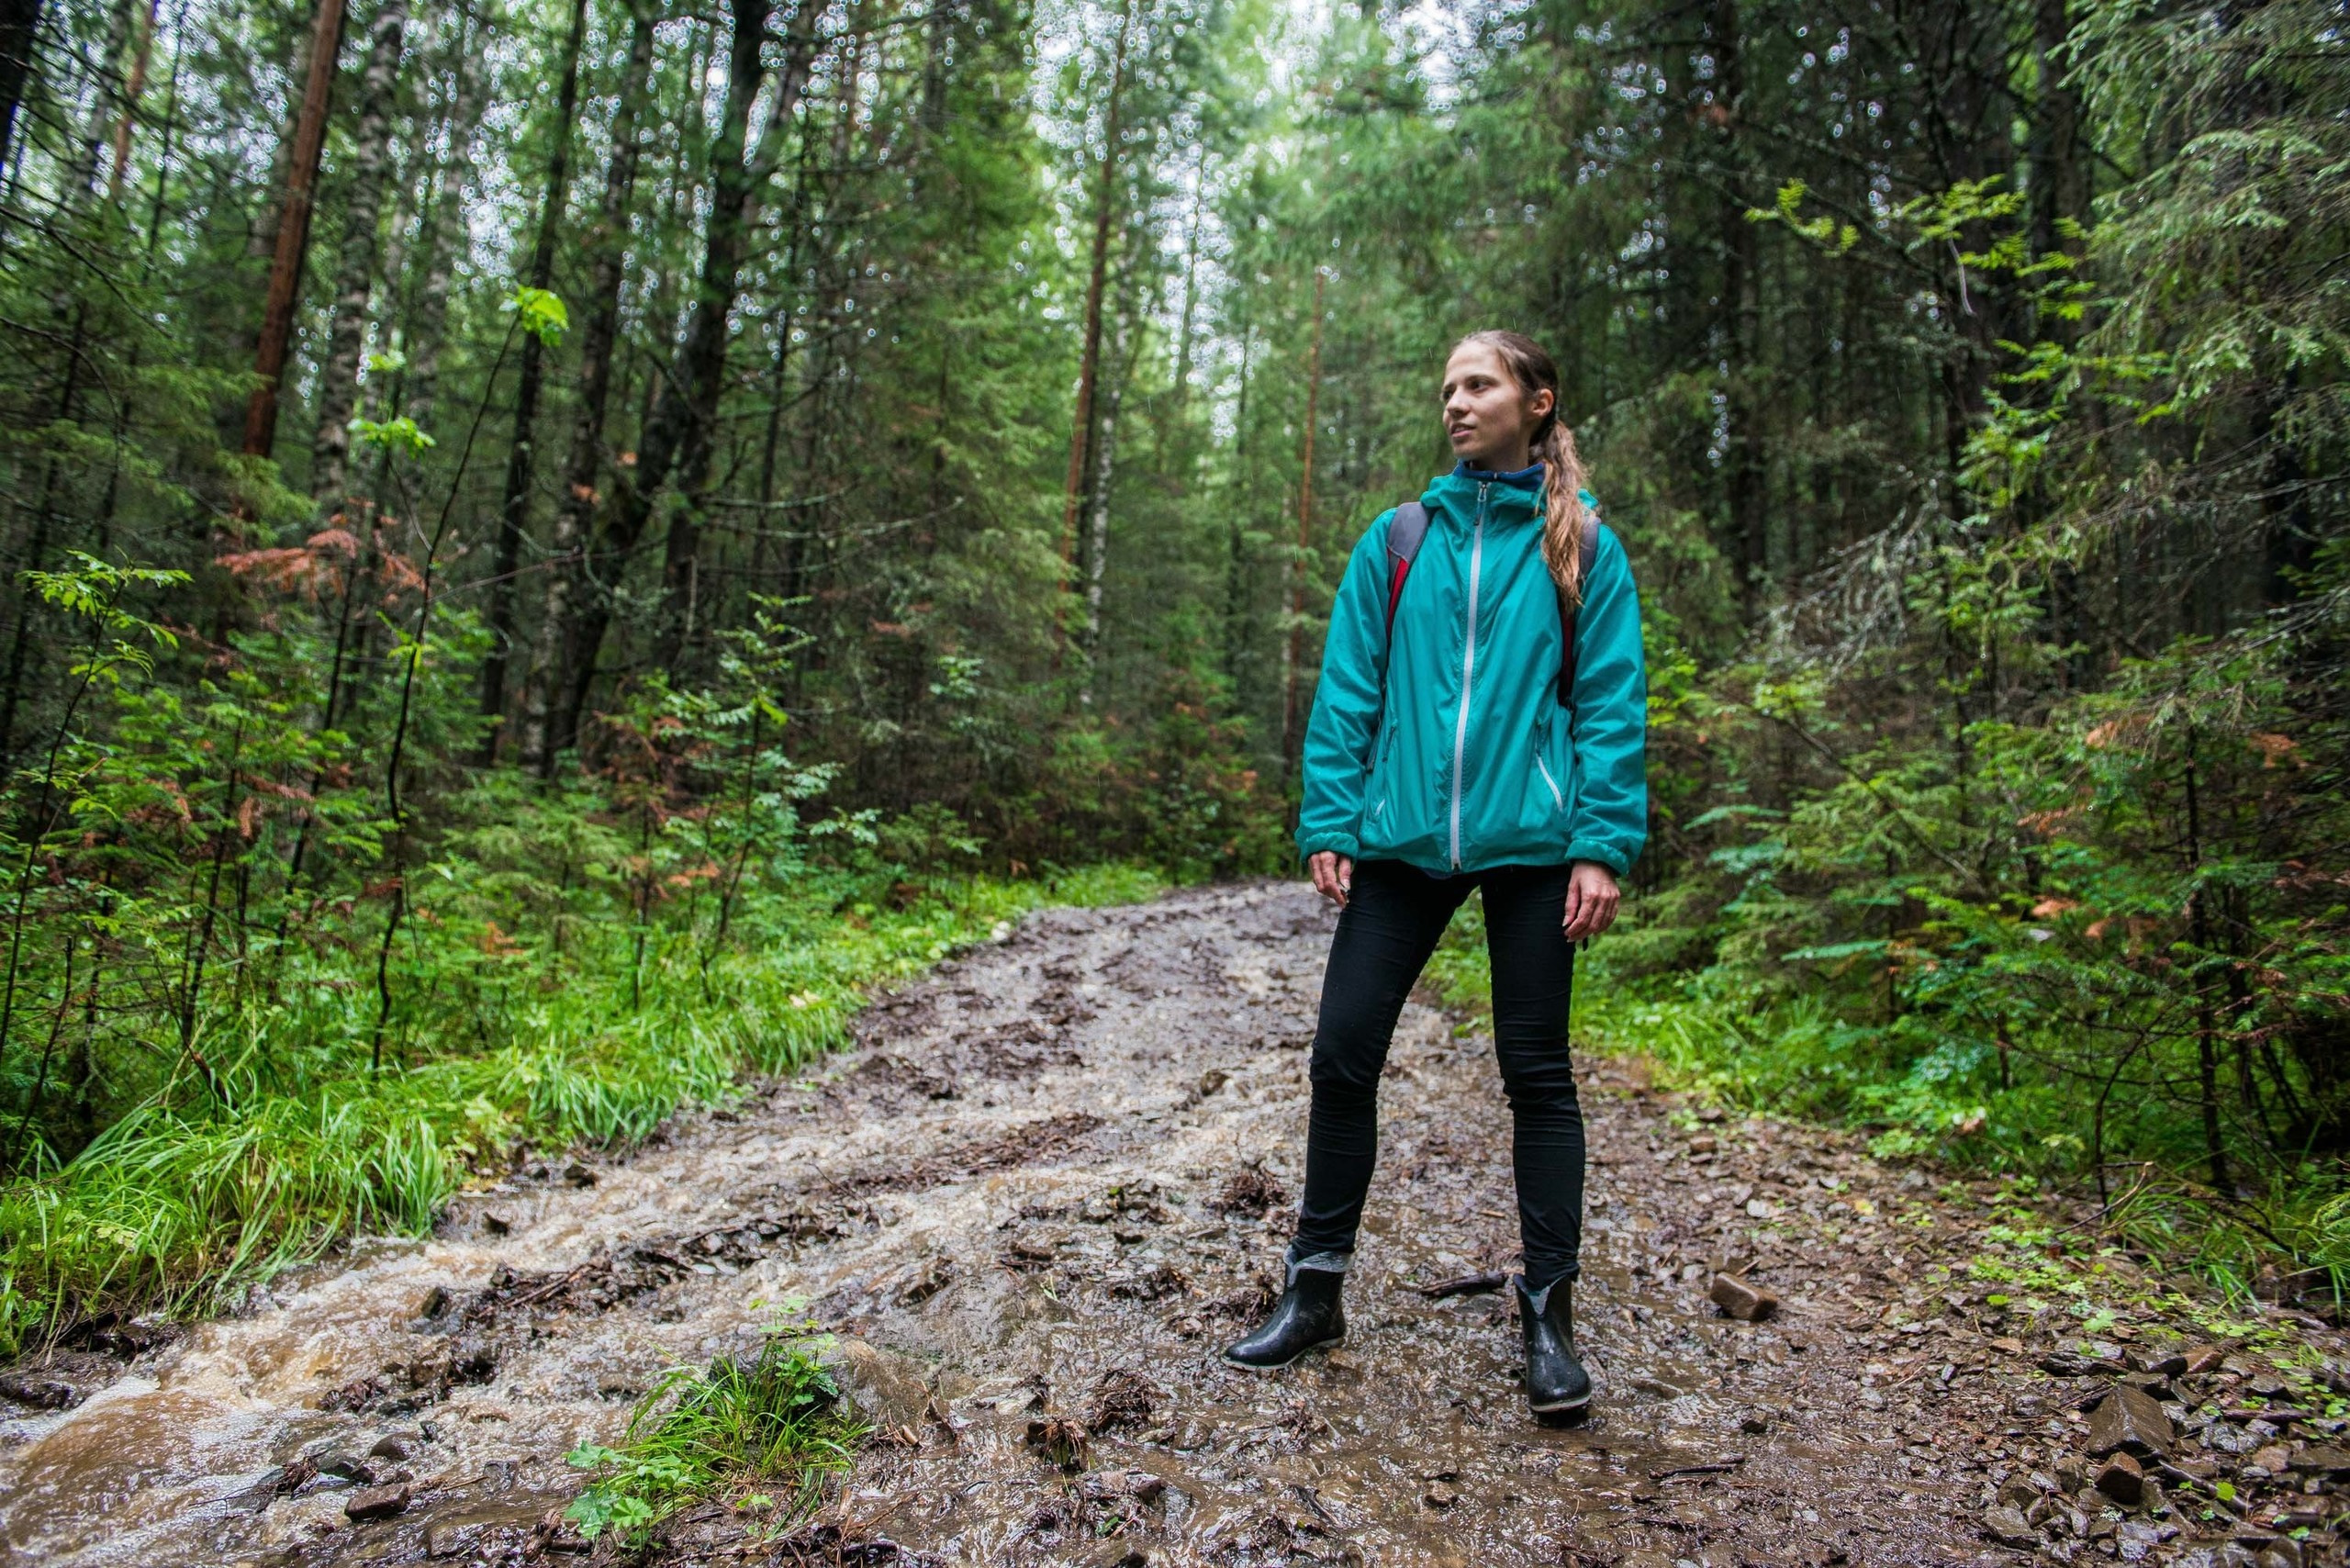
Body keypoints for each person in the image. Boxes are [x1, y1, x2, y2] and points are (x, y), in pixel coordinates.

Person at [1223, 330, 1648, 1417]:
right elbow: (1349, 687)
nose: (1455, 402)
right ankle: (1314, 1291)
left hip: (1533, 843)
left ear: (1535, 401)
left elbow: (1609, 704)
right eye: (1447, 388)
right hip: (1402, 838)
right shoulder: (1400, 537)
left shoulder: (1582, 545)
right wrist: (1331, 817)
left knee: (1536, 1074)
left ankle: (1547, 1318)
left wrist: (1600, 843)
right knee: (1341, 1054)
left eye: (1478, 384)